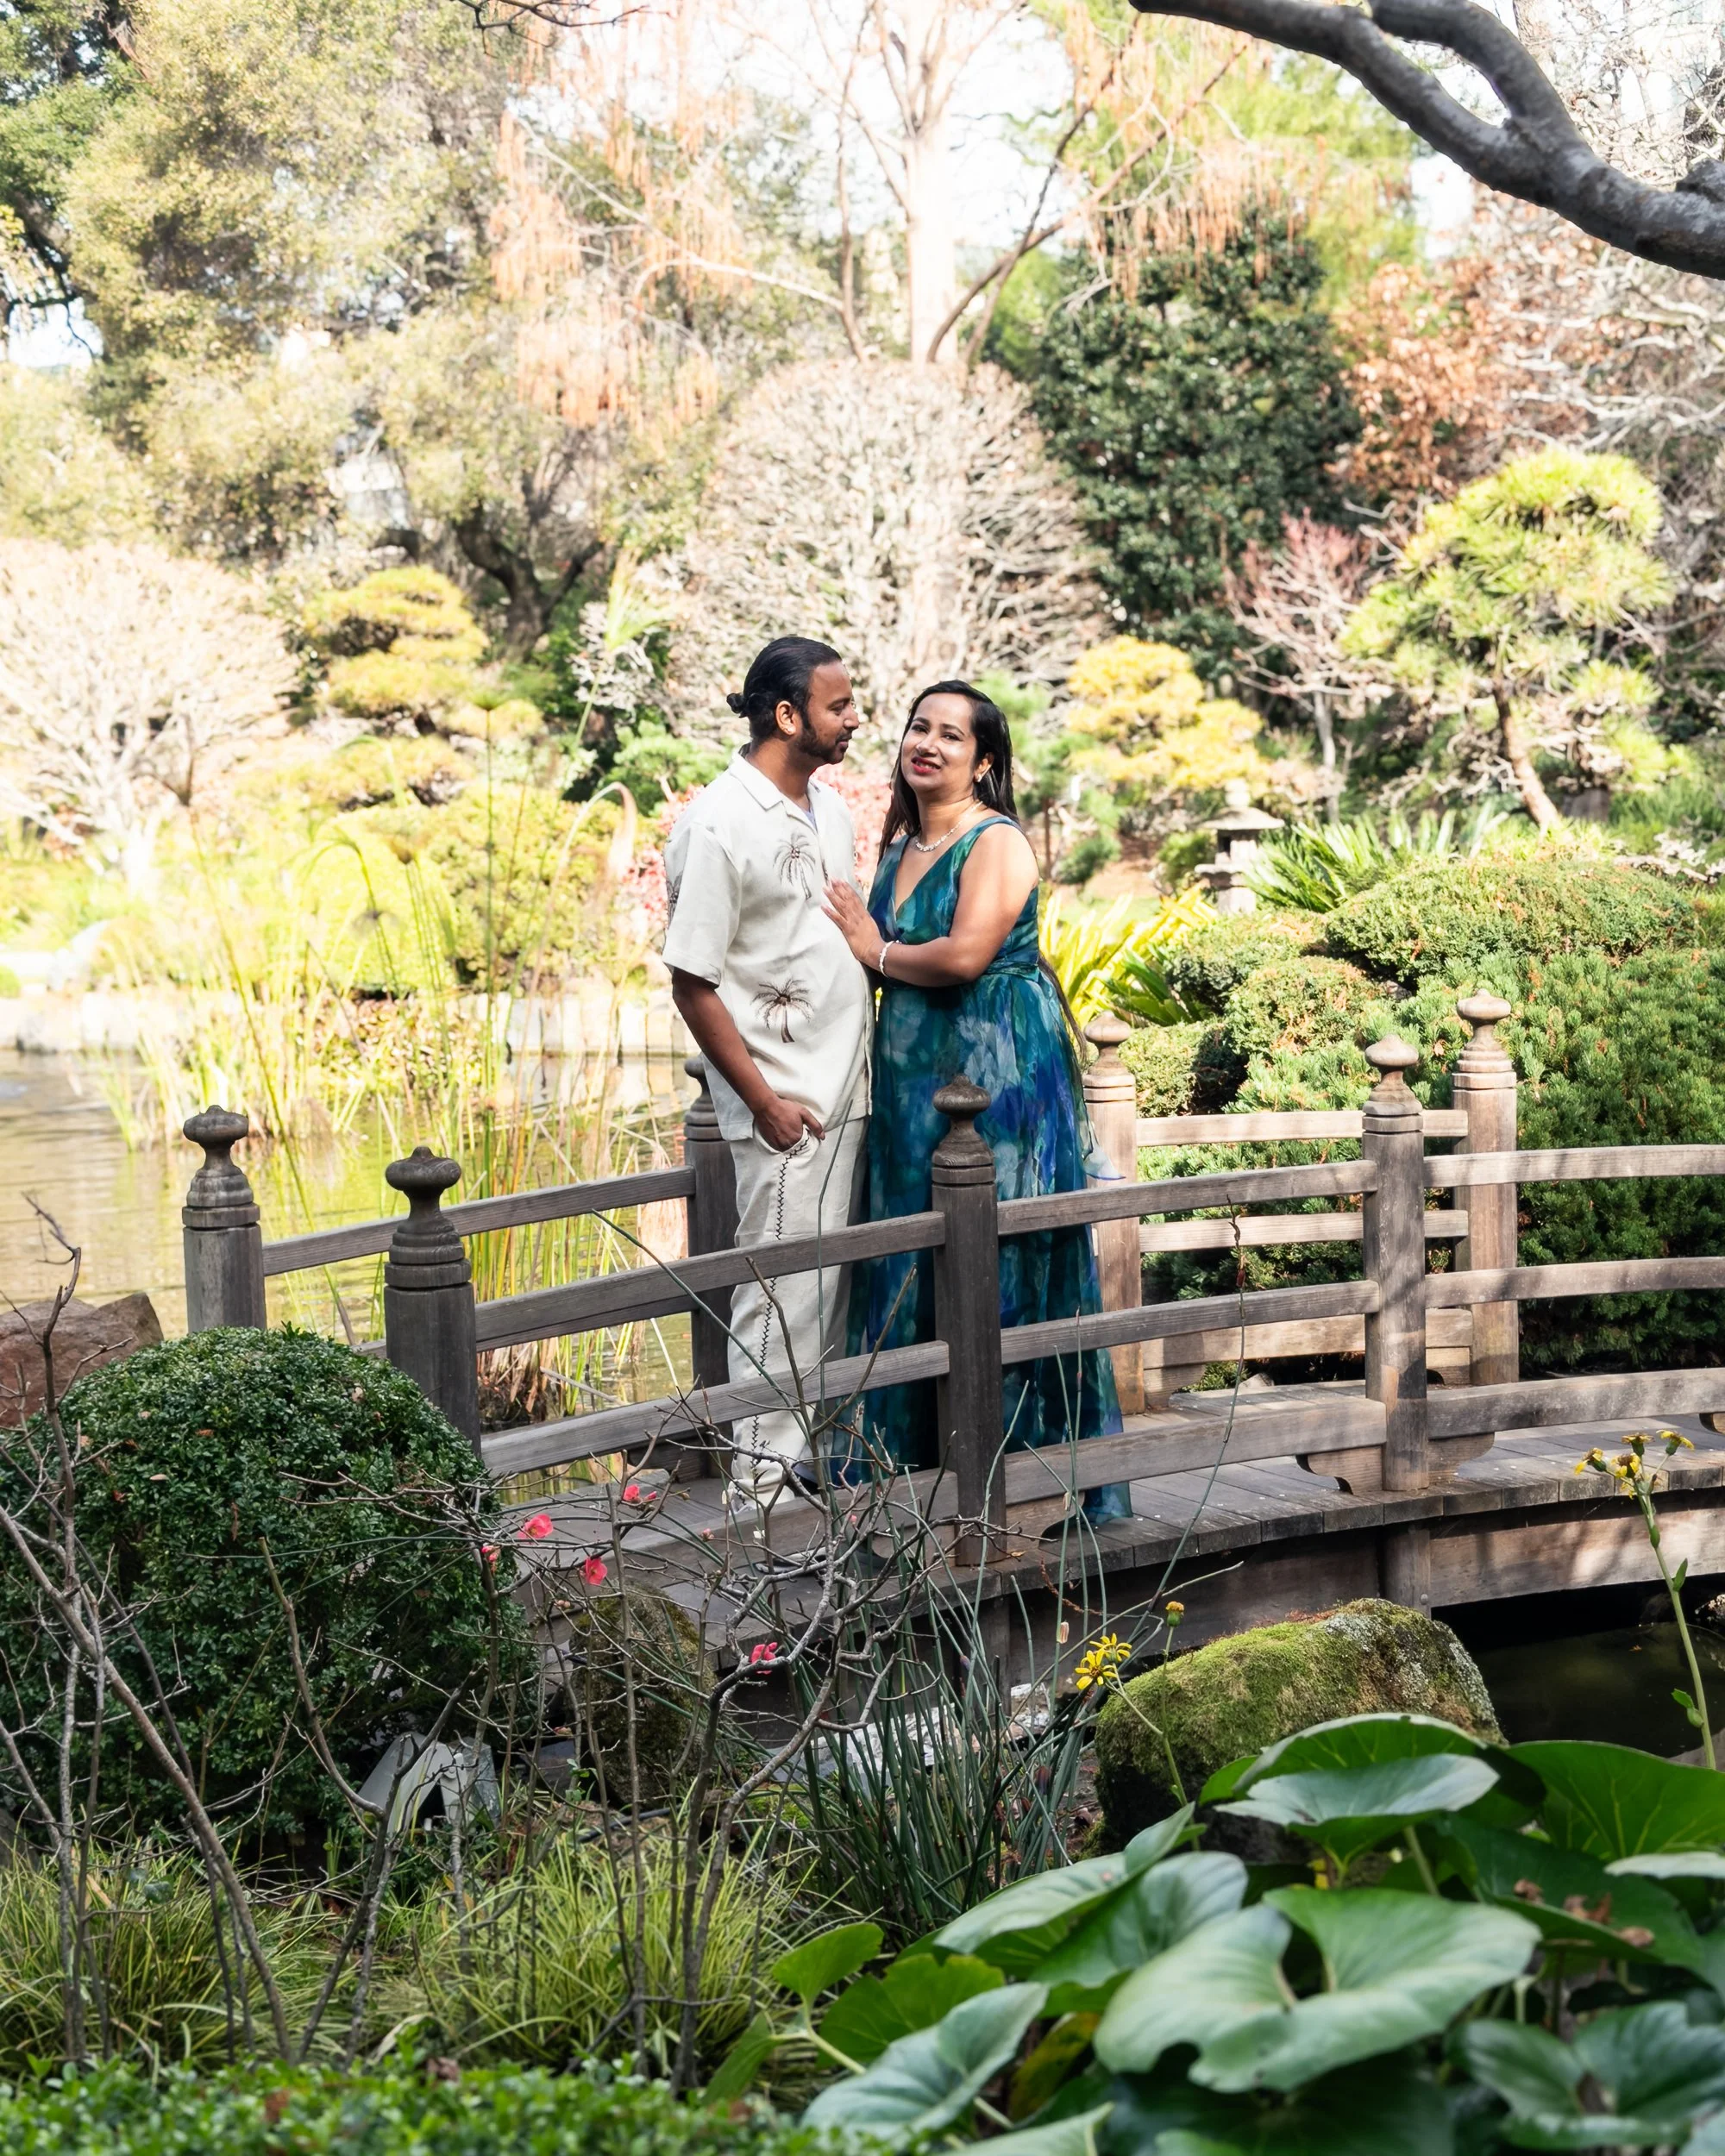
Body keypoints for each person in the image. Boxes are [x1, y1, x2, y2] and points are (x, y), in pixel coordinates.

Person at [822, 679, 1130, 1524]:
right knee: (912, 1245)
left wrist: (874, 948)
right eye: (917, 727)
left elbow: (960, 958)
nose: (926, 743)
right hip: (910, 1072)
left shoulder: (994, 842)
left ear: (983, 761)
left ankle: (1025, 1471)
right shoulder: (895, 847)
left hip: (997, 1068)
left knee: (1002, 1252)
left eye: (950, 736)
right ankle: (914, 1465)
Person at [663, 636, 872, 1506]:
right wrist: (763, 1104)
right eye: (837, 705)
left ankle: (810, 1486)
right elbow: (691, 979)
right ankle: (761, 1505)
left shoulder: (830, 811)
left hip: (850, 1095)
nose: (855, 718)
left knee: (827, 1303)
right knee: (776, 1302)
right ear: (787, 716)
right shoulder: (716, 823)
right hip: (784, 1110)